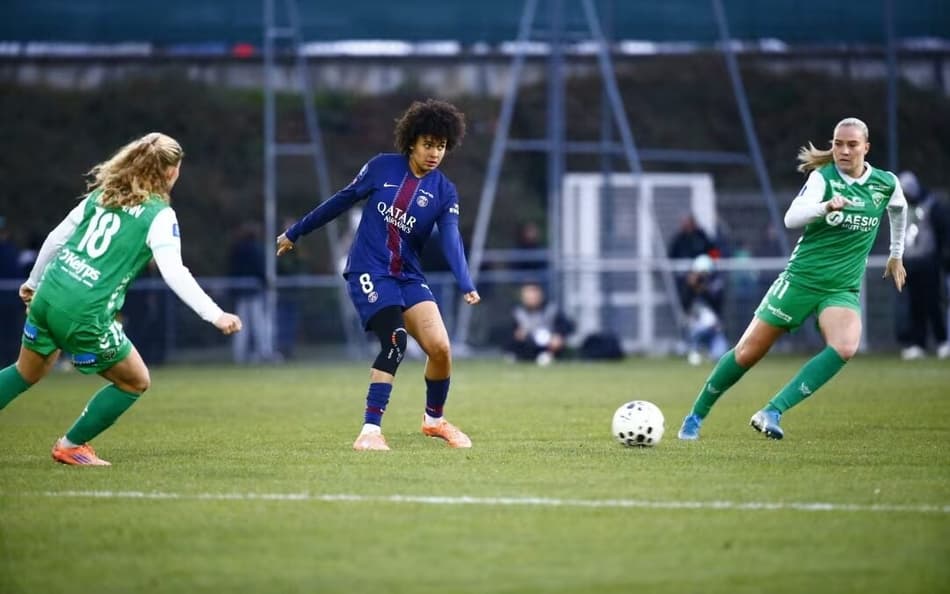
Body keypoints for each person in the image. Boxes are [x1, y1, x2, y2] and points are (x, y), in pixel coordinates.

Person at [0, 132, 242, 465]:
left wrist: (33, 283)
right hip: (84, 312)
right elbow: (174, 272)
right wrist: (215, 314)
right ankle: (71, 445)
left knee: (24, 372)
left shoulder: (102, 195)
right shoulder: (159, 214)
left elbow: (56, 239)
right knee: (135, 381)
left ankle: (71, 445)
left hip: (49, 294)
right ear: (170, 172)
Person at [677, 117, 907, 441]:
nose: (843, 150)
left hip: (840, 288)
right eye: (838, 143)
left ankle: (772, 410)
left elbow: (899, 209)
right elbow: (791, 218)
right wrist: (825, 207)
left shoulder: (885, 183)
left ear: (866, 148)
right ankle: (695, 417)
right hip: (799, 281)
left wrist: (896, 254)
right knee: (746, 354)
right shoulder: (822, 178)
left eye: (852, 144)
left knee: (845, 346)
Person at [276, 99, 480, 451]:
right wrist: (295, 232)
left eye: (441, 146)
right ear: (412, 142)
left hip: (408, 276)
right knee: (396, 340)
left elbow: (451, 238)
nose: (434, 153)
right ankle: (370, 431)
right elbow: (340, 201)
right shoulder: (382, 168)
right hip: (369, 271)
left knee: (441, 349)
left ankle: (434, 421)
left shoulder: (443, 190)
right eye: (428, 144)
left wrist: (466, 282)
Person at [894, 171, 950, 360]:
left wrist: (943, 258)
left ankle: (942, 341)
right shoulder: (901, 208)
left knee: (933, 303)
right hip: (910, 263)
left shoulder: (932, 205)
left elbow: (942, 234)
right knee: (914, 305)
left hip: (929, 262)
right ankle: (918, 343)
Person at [229, 221, 277, 364]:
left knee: (241, 324)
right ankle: (263, 352)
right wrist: (266, 282)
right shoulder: (255, 249)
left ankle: (239, 355)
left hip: (241, 290)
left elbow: (233, 269)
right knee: (258, 323)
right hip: (254, 290)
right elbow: (259, 269)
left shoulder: (237, 249)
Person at [505, 282, 574, 365]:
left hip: (548, 347)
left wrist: (558, 336)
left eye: (534, 293)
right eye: (528, 294)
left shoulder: (551, 310)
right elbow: (508, 333)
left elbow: (567, 326)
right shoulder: (518, 312)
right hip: (527, 347)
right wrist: (517, 334)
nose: (532, 296)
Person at [681, 254, 728, 366]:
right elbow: (685, 304)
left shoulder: (716, 284)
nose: (701, 277)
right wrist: (691, 287)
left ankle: (707, 350)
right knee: (695, 328)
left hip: (714, 328)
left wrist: (703, 288)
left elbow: (716, 303)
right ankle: (695, 349)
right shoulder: (689, 285)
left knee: (720, 355)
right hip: (695, 326)